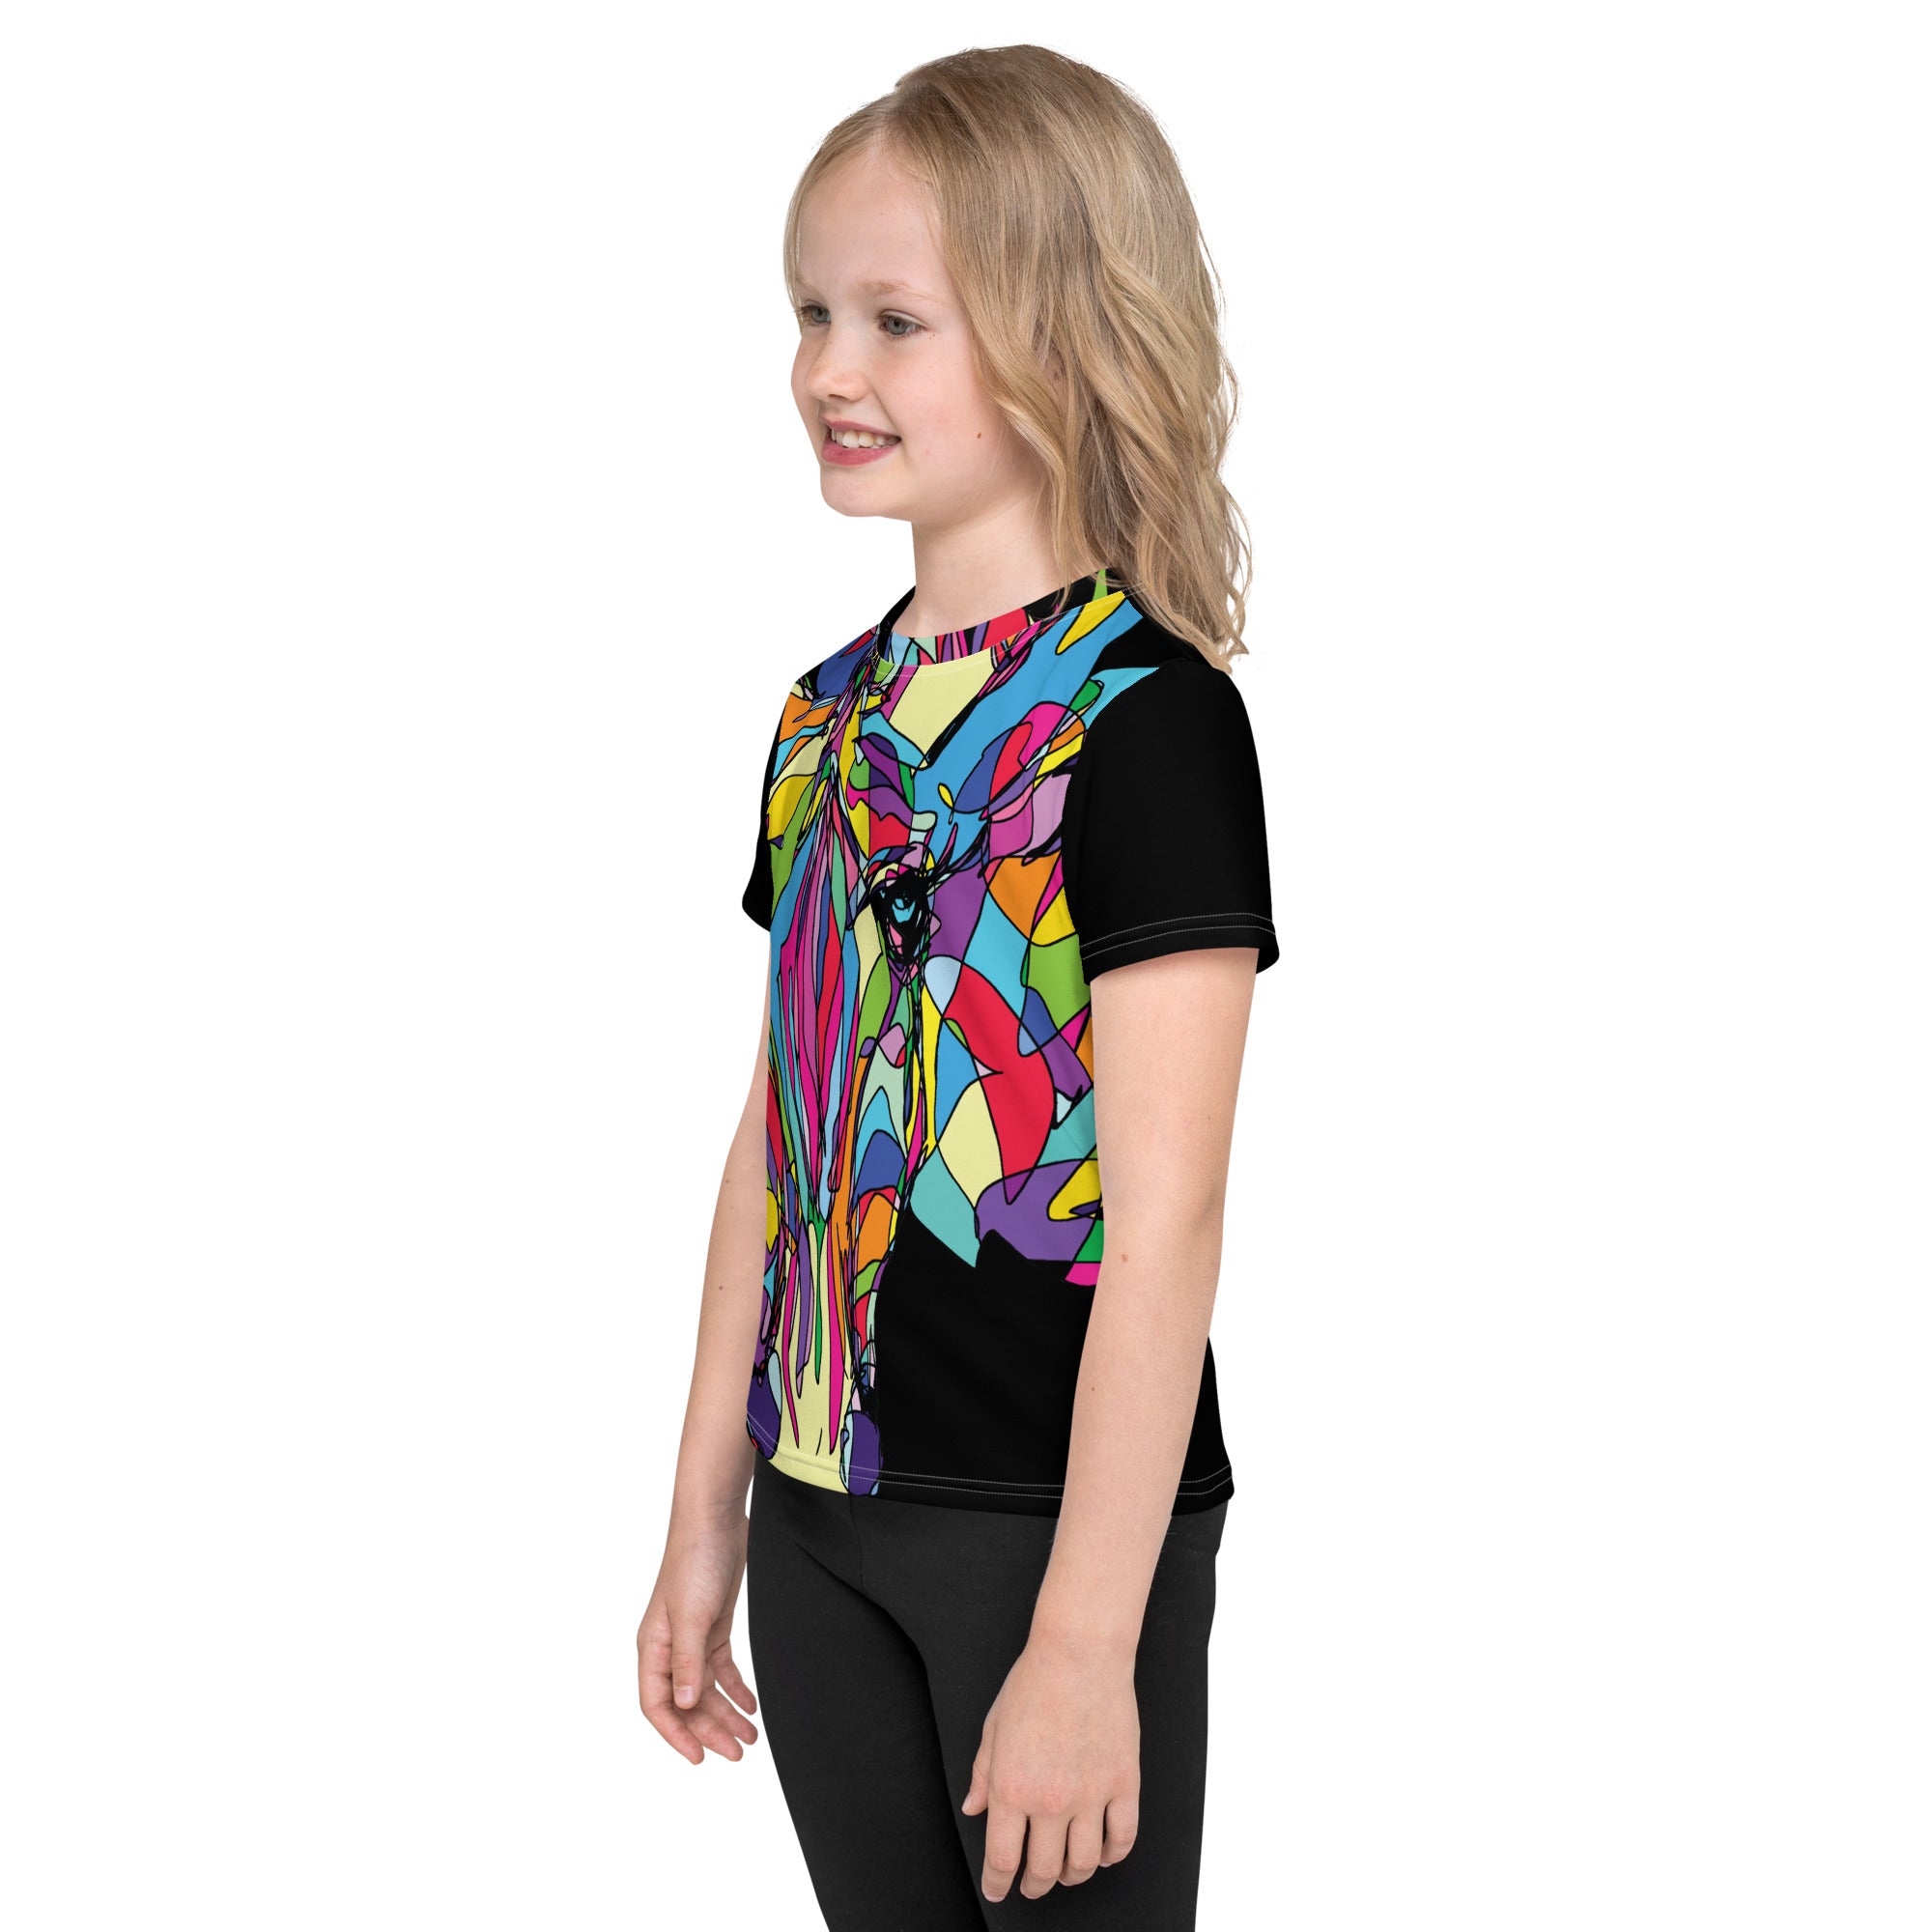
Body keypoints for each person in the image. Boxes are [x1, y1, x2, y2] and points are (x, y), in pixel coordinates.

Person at [637, 44, 1278, 1930]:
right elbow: (779, 1135)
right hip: (816, 1521)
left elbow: (1165, 1217)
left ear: (1063, 332)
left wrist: (1086, 1638)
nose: (827, 370)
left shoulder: (1148, 722)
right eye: (811, 314)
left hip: (1047, 1529)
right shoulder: (823, 720)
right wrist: (703, 1514)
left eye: (893, 322)